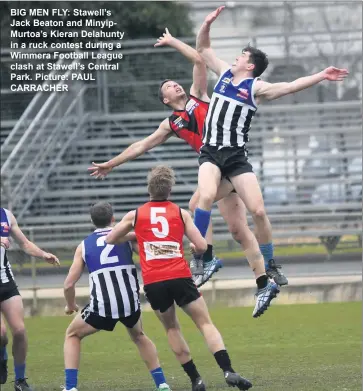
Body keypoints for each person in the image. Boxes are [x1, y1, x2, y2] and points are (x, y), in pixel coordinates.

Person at [88, 28, 284, 317]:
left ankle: (207, 257)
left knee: (198, 205)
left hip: (228, 162)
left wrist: (172, 42)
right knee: (238, 231)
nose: (175, 85)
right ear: (164, 99)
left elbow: (199, 59)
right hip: (214, 168)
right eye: (168, 86)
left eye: (175, 82)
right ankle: (263, 281)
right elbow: (141, 146)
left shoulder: (200, 96)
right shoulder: (172, 124)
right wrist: (110, 164)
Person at [191, 5, 349, 287]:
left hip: (237, 158)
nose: (237, 57)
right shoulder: (225, 73)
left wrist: (322, 75)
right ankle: (201, 257)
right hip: (211, 154)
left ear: (250, 65)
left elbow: (290, 86)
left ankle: (270, 263)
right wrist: (207, 23)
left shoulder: (255, 88)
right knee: (204, 197)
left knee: (259, 212)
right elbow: (203, 48)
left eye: (242, 55)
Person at [106, 165, 253, 391]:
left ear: (149, 190)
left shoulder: (134, 215)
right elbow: (202, 246)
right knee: (205, 323)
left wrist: (140, 234)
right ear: (169, 191)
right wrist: (194, 247)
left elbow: (111, 239)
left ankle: (196, 379)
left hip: (154, 281)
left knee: (172, 329)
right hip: (179, 275)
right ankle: (228, 371)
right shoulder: (180, 213)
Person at [61, 201, 171, 391]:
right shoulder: (127, 239)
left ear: (92, 221)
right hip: (130, 302)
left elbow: (68, 284)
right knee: (139, 336)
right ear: (113, 219)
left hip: (102, 306)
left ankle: (70, 387)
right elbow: (150, 255)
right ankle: (161, 384)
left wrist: (70, 305)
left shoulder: (84, 246)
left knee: (72, 334)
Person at [0, 207, 60, 391]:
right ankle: (2, 358)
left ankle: (20, 381)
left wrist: (43, 254)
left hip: (5, 279)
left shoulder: (6, 215)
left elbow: (24, 243)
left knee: (19, 331)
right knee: (1, 335)